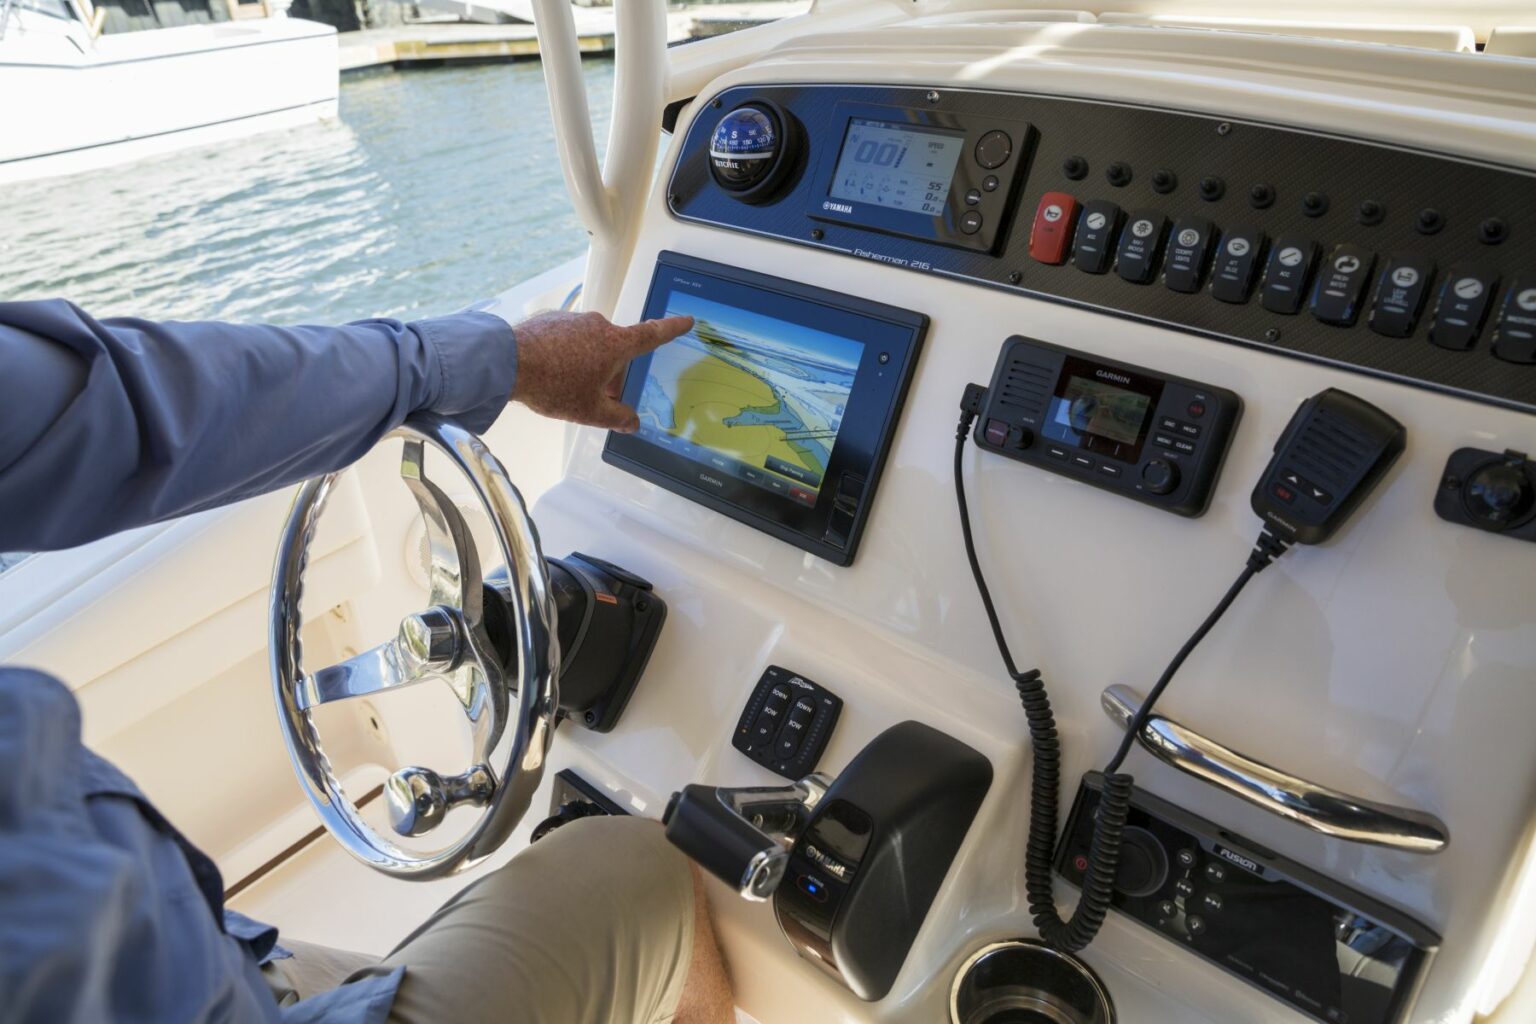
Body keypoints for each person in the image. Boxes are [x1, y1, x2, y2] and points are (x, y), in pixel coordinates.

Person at [0, 300, 734, 1024]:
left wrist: (503, 359)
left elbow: (125, 410)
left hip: (189, 965)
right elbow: (140, 410)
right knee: (636, 867)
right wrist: (507, 357)